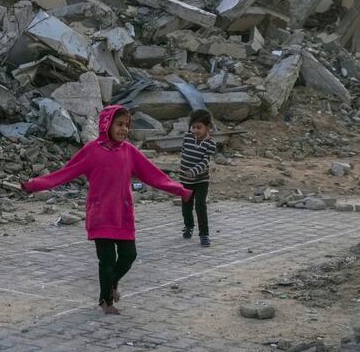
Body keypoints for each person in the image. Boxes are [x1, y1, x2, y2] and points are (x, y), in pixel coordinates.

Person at [21, 105, 192, 314]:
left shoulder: (129, 151)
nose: (124, 129)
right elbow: (65, 173)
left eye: (127, 125)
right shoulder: (92, 151)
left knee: (129, 255)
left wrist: (180, 190)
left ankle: (112, 283)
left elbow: (153, 175)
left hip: (123, 214)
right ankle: (105, 301)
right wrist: (34, 185)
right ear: (106, 124)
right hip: (100, 214)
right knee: (107, 260)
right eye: (119, 124)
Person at [178, 109, 217, 246]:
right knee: (186, 206)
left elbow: (205, 162)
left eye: (199, 127)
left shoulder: (210, 143)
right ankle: (188, 226)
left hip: (201, 180)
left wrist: (193, 171)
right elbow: (184, 153)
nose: (195, 130)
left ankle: (204, 234)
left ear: (208, 127)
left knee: (200, 205)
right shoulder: (187, 137)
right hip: (185, 180)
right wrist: (183, 171)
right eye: (193, 127)